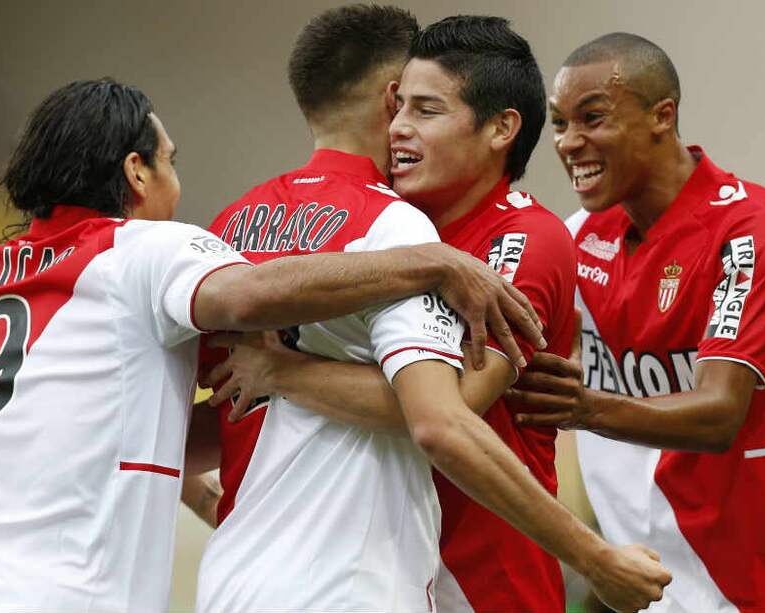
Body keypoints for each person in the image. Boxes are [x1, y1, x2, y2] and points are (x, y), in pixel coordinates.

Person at [0, 77, 543, 613]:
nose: (176, 186)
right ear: (136, 172)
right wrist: (432, 262)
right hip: (59, 597)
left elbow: (126, 434)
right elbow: (250, 293)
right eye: (170, 161)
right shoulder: (143, 249)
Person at [196, 11, 671, 613]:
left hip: (487, 585)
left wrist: (281, 374)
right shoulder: (385, 228)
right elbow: (225, 402)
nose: (398, 129)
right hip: (382, 569)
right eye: (397, 109)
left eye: (425, 111)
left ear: (501, 129)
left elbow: (454, 406)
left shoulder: (527, 236)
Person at [511, 32, 765, 612]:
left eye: (592, 117)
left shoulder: (752, 234)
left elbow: (719, 415)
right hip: (647, 582)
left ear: (662, 116)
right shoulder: (575, 239)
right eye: (558, 123)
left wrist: (584, 408)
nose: (570, 143)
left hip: (760, 582)